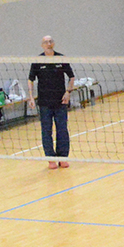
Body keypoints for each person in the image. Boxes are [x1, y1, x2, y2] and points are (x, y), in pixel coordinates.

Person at [27, 35, 75, 170]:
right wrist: (31, 97)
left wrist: (68, 92)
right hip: (44, 102)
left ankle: (63, 157)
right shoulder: (38, 61)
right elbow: (30, 80)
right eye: (46, 42)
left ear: (53, 43)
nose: (48, 44)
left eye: (50, 41)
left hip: (61, 101)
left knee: (62, 129)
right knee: (46, 131)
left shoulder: (61, 58)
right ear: (42, 45)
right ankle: (51, 159)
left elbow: (71, 77)